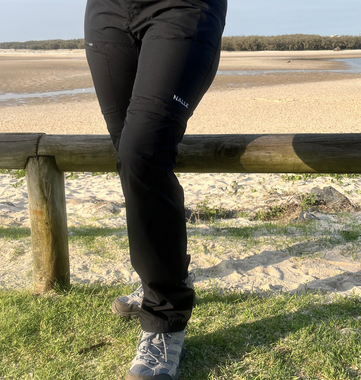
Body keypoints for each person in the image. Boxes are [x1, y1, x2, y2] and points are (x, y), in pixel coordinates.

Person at [84, 0, 227, 378]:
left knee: (141, 153)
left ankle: (165, 320)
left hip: (181, 7)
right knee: (129, 154)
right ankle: (159, 277)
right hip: (107, 10)